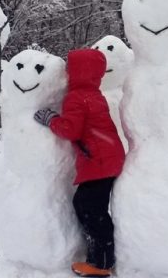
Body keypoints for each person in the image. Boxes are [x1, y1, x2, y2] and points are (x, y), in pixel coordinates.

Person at [34, 48, 126, 278]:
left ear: (77, 72)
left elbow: (70, 130)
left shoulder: (76, 97)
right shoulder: (94, 94)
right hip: (107, 157)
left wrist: (51, 119)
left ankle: (101, 262)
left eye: (69, 67)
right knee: (90, 206)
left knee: (90, 208)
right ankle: (103, 256)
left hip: (98, 161)